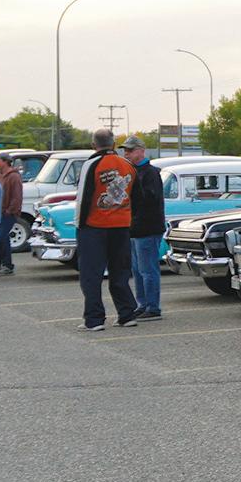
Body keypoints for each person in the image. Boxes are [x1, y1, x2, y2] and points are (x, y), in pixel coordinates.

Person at [74, 128, 140, 331]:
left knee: (91, 275)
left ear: (94, 145)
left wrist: (80, 225)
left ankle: (94, 319)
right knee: (120, 272)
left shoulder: (91, 164)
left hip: (95, 226)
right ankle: (126, 314)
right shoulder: (127, 165)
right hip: (121, 226)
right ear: (113, 144)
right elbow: (137, 197)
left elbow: (83, 198)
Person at [121, 140, 165, 320]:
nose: (126, 154)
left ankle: (153, 307)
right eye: (125, 150)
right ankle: (143, 304)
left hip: (147, 228)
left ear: (141, 151)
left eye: (130, 150)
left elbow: (149, 199)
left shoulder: (150, 173)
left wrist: (129, 195)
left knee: (147, 270)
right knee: (138, 270)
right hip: (135, 229)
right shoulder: (133, 172)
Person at [0, 154, 24, 275]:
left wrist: (10, 210)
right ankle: (6, 265)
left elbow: (17, 196)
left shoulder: (14, 176)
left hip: (8, 213)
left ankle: (1, 264)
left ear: (5, 161)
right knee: (4, 240)